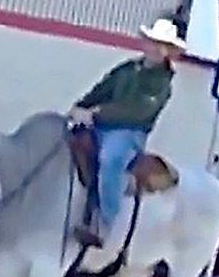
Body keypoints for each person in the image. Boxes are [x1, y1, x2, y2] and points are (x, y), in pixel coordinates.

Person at [67, 17, 186, 247]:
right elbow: (103, 88)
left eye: (161, 45)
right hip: (99, 125)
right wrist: (80, 106)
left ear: (168, 52)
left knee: (110, 159)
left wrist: (95, 113)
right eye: (153, 42)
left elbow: (136, 111)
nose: (154, 48)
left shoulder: (162, 84)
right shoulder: (127, 69)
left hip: (129, 133)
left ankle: (104, 225)